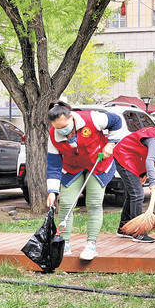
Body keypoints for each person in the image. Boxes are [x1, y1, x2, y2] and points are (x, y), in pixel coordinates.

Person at [46, 101, 122, 261]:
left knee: (93, 203)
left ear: (71, 117)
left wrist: (111, 143)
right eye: (57, 128)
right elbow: (53, 164)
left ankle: (91, 245)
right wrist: (52, 191)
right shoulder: (53, 136)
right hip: (73, 167)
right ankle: (63, 243)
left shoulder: (93, 119)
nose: (62, 131)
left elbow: (117, 121)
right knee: (66, 203)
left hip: (98, 162)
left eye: (64, 126)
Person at [112, 123, 155, 243]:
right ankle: (138, 233)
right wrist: (153, 181)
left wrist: (143, 173)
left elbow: (144, 153)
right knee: (137, 195)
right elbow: (150, 159)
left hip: (130, 157)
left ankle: (124, 228)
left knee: (132, 195)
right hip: (124, 157)